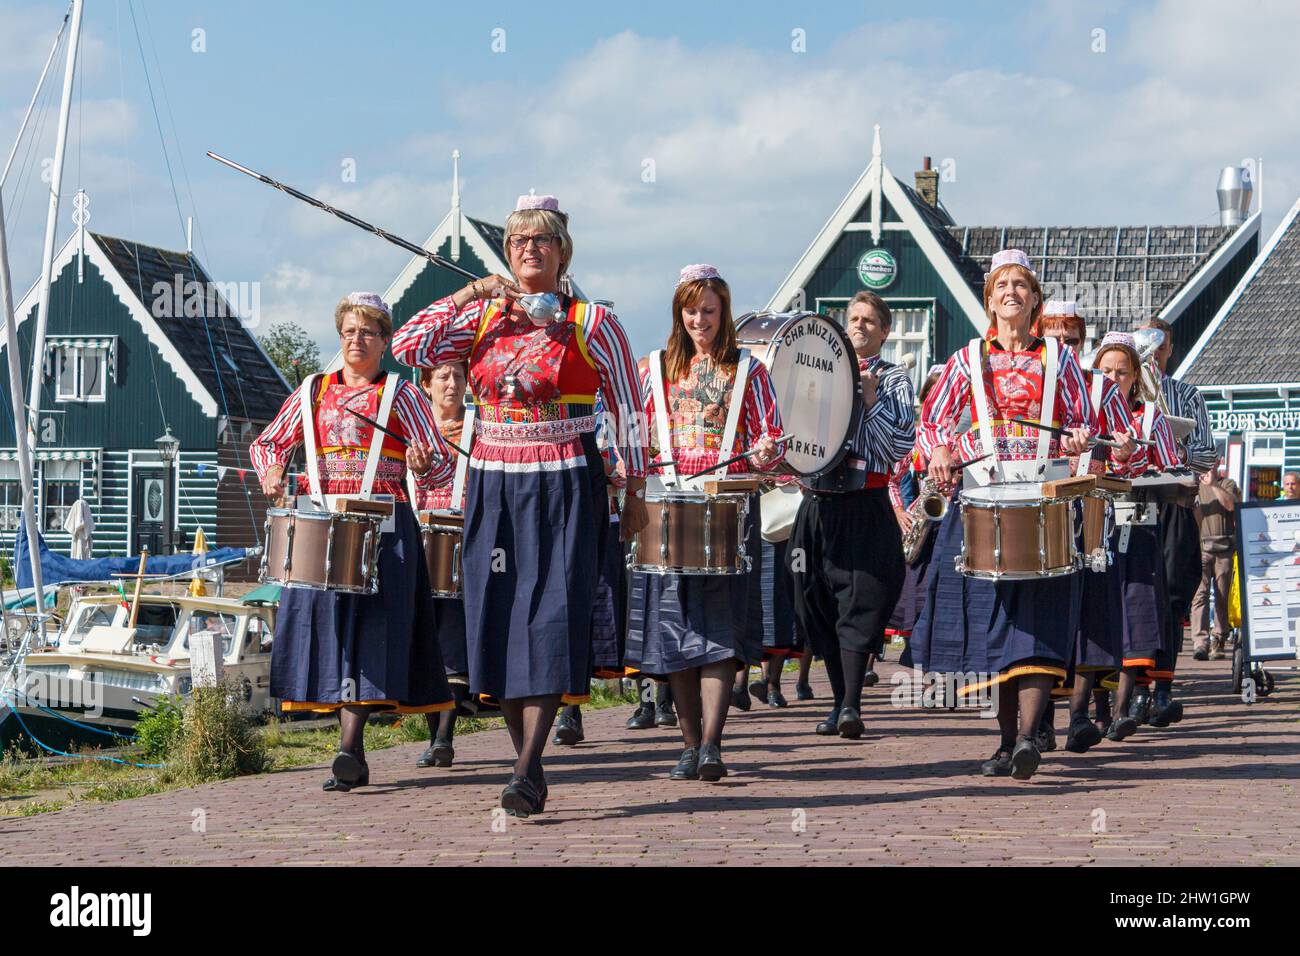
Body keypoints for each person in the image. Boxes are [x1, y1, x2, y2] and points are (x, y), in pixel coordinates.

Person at [392, 195, 648, 816]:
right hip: (494, 482)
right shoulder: (482, 318)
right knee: (498, 620)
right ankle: (524, 762)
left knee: (553, 618)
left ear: (562, 251)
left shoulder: (592, 322)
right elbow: (406, 345)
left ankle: (529, 766)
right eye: (517, 242)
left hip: (566, 482)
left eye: (541, 240)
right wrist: (468, 293)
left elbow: (630, 408)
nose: (528, 249)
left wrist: (635, 489)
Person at [907, 251, 1111, 780]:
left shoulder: (1060, 361)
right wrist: (939, 451)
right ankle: (1005, 741)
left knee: (1039, 625)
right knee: (995, 630)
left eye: (1022, 285)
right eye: (1003, 285)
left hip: (1043, 500)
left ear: (1035, 299)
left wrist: (1079, 438)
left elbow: (1083, 424)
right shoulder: (965, 360)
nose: (1012, 293)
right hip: (981, 501)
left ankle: (1025, 738)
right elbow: (932, 424)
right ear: (990, 298)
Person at [251, 292, 455, 791]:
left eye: (367, 332)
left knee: (371, 636)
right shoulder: (311, 392)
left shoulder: (401, 395)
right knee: (335, 637)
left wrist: (424, 464)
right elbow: (268, 442)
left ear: (385, 341)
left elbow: (441, 462)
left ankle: (350, 748)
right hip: (324, 526)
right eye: (348, 332)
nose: (355, 340)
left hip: (386, 529)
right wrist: (272, 467)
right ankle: (352, 750)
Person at [625, 264, 783, 782]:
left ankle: (712, 745)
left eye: (709, 310)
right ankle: (689, 744)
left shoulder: (750, 371)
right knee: (674, 633)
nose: (700, 319)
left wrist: (763, 451)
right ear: (679, 311)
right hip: (668, 510)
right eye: (691, 310)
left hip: (728, 510)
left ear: (724, 312)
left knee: (718, 632)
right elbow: (634, 439)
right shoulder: (653, 369)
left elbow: (774, 443)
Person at [789, 291, 915, 740]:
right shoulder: (816, 371)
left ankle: (850, 705)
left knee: (860, 600)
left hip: (865, 502)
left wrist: (869, 400)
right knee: (812, 599)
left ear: (884, 331)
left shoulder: (895, 379)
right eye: (854, 318)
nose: (859, 326)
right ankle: (839, 702)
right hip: (816, 503)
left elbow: (897, 448)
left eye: (869, 321)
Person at [1087, 333, 1180, 740]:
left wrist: (1136, 459)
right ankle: (1098, 711)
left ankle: (1123, 708)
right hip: (1091, 528)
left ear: (1135, 376)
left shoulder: (1150, 419)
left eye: (1121, 372)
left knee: (1134, 616)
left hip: (1137, 527)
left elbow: (1173, 470)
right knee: (1095, 618)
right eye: (1106, 370)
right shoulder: (1082, 417)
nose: (1113, 378)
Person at [1138, 317, 1216, 727]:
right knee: (1133, 596)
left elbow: (1207, 454)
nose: (1152, 352)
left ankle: (1163, 687)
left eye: (1159, 345)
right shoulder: (1124, 392)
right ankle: (1133, 690)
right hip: (1131, 502)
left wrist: (1174, 450)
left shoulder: (1187, 395)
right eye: (1144, 345)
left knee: (1170, 599)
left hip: (1174, 505)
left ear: (1170, 349)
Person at [411, 360, 474, 769]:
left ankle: (444, 737)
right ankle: (433, 734)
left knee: (453, 639)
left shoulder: (480, 428)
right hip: (417, 540)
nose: (451, 385)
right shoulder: (410, 429)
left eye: (458, 376)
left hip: (462, 540)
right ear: (427, 383)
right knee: (426, 638)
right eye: (443, 377)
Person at [1190, 461, 1239, 660]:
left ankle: (1218, 639)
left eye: (1212, 463)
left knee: (1221, 596)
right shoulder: (1194, 486)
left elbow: (1230, 505)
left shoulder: (1227, 484)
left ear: (1218, 464)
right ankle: (1199, 643)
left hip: (1224, 549)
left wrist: (1213, 485)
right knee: (1199, 595)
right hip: (1201, 548)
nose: (1208, 467)